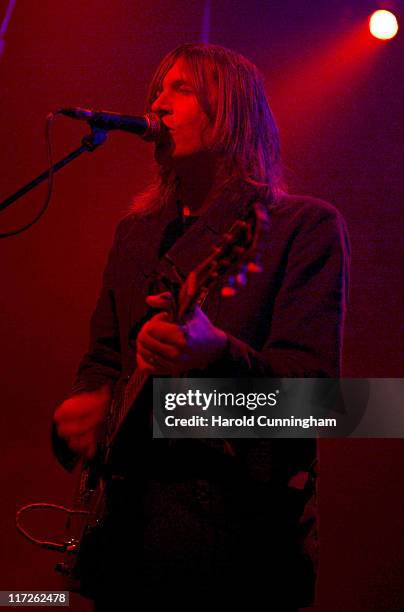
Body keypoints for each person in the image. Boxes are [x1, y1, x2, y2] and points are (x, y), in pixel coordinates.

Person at [52, 43, 350, 609]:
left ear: (233, 110)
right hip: (122, 548)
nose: (157, 104)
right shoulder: (135, 236)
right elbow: (102, 359)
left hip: (236, 555)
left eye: (181, 89)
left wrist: (215, 355)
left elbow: (320, 403)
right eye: (156, 90)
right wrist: (85, 410)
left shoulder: (302, 227)